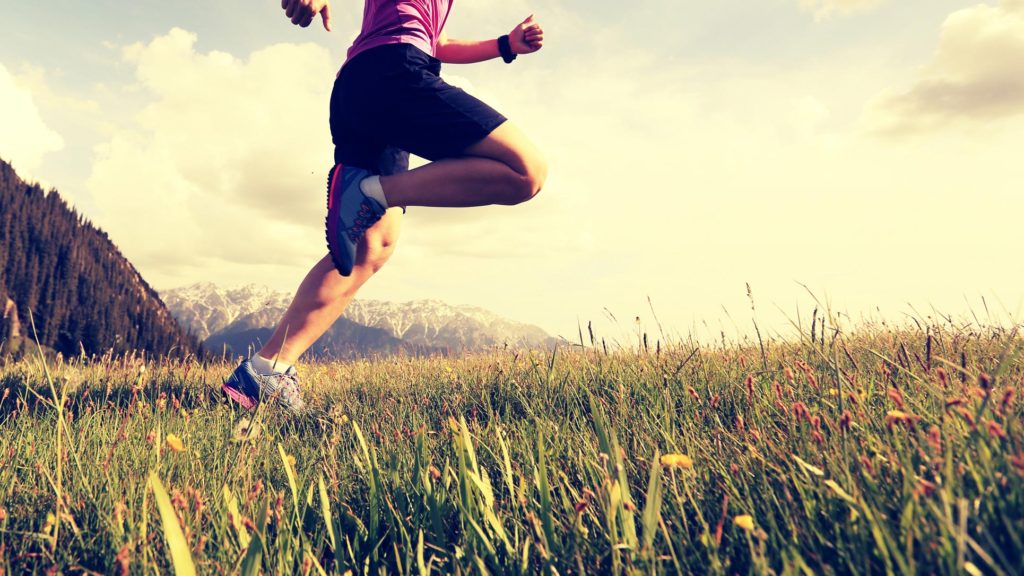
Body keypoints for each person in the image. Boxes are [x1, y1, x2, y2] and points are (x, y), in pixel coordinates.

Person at [222, 0, 548, 411]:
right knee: (525, 171)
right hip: (393, 73)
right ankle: (374, 191)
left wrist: (505, 44)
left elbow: (439, 42)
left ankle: (265, 371)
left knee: (369, 249)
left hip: (365, 88)